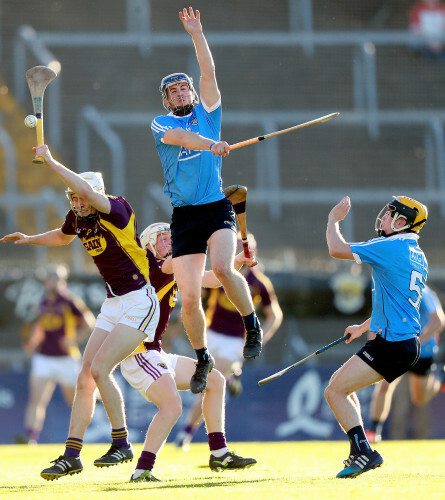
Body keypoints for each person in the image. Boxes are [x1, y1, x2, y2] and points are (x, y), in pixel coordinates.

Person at [1, 144, 160, 480]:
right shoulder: (78, 216)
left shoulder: (116, 208)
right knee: (85, 375)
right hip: (114, 302)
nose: (76, 202)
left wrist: (52, 161)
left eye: (80, 197)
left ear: (95, 194)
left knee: (101, 369)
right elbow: (62, 237)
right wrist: (30, 239)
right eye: (72, 198)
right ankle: (72, 454)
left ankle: (122, 443)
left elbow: (87, 191)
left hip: (139, 301)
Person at [151, 7, 263, 395]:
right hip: (184, 216)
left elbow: (209, 73)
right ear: (167, 101)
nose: (182, 92)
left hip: (217, 207)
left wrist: (197, 34)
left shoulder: (209, 112)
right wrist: (209, 144)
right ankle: (202, 357)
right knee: (190, 298)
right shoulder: (163, 124)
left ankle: (252, 326)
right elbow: (183, 140)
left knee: (223, 266)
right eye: (174, 91)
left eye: (185, 88)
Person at [120, 222, 257, 481]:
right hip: (138, 353)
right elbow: (186, 257)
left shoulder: (173, 266)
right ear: (148, 246)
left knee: (215, 380)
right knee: (172, 406)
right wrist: (209, 229)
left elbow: (214, 279)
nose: (168, 242)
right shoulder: (152, 263)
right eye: (162, 239)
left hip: (154, 352)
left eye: (170, 237)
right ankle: (142, 470)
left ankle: (219, 453)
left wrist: (235, 260)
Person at [324, 195, 428, 479]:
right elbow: (397, 303)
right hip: (403, 343)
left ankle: (364, 453)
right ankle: (362, 451)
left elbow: (336, 249)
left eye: (389, 214)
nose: (382, 218)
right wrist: (362, 327)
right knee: (340, 386)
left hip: (394, 344)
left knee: (334, 391)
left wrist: (333, 220)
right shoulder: (417, 253)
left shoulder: (390, 246)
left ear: (401, 222)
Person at [175, 233, 283, 450]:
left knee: (209, 382)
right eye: (235, 247)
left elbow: (275, 315)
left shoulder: (259, 283)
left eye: (244, 248)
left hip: (234, 341)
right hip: (209, 334)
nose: (239, 252)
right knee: (212, 382)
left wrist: (260, 336)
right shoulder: (220, 273)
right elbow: (196, 297)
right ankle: (233, 376)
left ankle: (186, 432)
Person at [16, 265, 95, 445]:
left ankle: (82, 436)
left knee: (74, 401)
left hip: (66, 358)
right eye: (51, 278)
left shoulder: (69, 301)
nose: (53, 281)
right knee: (36, 399)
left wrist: (74, 340)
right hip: (44, 357)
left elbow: (89, 323)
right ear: (46, 282)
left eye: (57, 278)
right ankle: (31, 438)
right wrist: (32, 343)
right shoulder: (42, 303)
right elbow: (39, 328)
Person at [366, 285, 445, 443]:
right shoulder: (390, 289)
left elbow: (439, 322)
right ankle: (374, 431)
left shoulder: (424, 291)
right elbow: (377, 321)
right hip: (398, 350)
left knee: (419, 398)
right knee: (384, 385)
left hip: (423, 352)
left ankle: (440, 378)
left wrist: (416, 342)